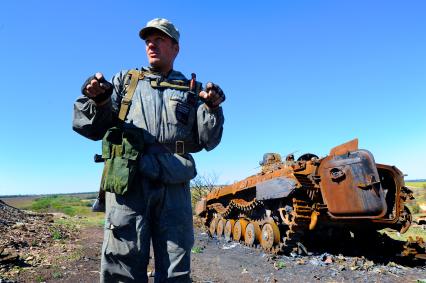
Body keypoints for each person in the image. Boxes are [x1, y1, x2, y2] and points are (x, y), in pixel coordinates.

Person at [73, 18, 225, 282]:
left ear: (175, 48)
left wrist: (212, 109)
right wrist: (99, 99)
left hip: (174, 181)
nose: (151, 45)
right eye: (148, 41)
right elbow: (92, 128)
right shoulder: (125, 81)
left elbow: (208, 141)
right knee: (122, 260)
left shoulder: (193, 90)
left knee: (176, 264)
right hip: (128, 180)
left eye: (160, 39)